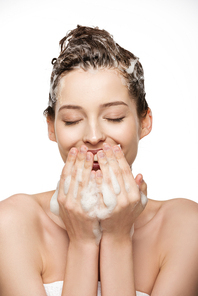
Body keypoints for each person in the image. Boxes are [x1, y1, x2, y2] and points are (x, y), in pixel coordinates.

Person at [0, 25, 198, 296]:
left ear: (144, 122)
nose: (93, 136)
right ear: (51, 127)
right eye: (72, 120)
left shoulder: (186, 227)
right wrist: (82, 243)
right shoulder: (12, 224)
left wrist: (117, 239)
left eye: (114, 117)